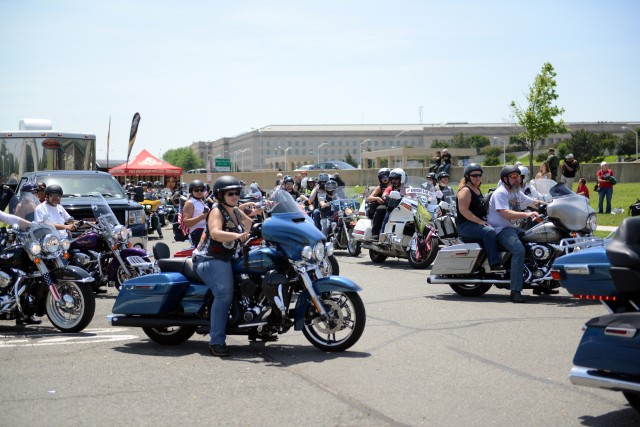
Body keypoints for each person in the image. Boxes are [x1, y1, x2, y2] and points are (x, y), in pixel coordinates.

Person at [194, 176, 253, 357]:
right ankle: (216, 341)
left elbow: (249, 223)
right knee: (224, 295)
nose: (235, 196)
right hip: (210, 258)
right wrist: (236, 236)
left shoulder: (234, 210)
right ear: (220, 195)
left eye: (237, 192)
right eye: (230, 193)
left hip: (227, 257)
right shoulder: (216, 211)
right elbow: (216, 233)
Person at [488, 165, 541, 303]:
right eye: (513, 176)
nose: (517, 179)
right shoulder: (501, 192)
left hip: (512, 228)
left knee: (538, 239)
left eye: (518, 176)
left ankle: (541, 283)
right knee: (518, 250)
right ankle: (515, 291)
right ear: (505, 179)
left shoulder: (517, 192)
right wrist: (527, 214)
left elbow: (532, 202)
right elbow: (505, 213)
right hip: (500, 229)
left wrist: (551, 204)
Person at [456, 163, 503, 272]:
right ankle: (495, 264)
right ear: (467, 177)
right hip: (466, 226)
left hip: (476, 224)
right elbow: (464, 211)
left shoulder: (477, 189)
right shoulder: (465, 190)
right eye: (474, 175)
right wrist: (480, 222)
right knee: (489, 231)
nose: (478, 177)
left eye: (479, 175)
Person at [375, 168, 408, 240]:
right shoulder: (390, 188)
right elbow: (385, 194)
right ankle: (382, 236)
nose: (394, 181)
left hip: (405, 210)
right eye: (392, 179)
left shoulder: (407, 188)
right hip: (392, 209)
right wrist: (386, 196)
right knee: (386, 219)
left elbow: (413, 195)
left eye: (396, 179)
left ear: (401, 179)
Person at [181, 180, 210, 245]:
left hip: (206, 232)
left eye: (201, 190)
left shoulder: (202, 202)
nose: (199, 192)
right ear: (191, 191)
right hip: (197, 234)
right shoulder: (190, 203)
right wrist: (200, 217)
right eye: (196, 190)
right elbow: (186, 223)